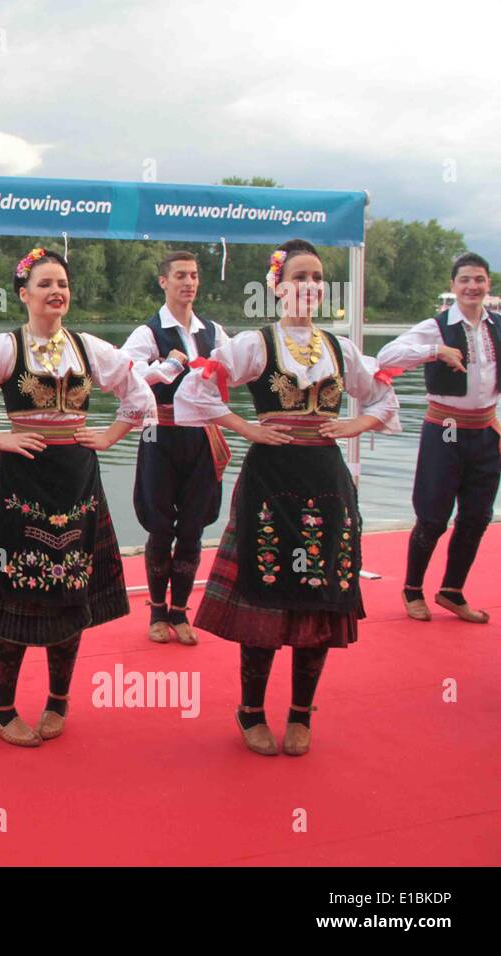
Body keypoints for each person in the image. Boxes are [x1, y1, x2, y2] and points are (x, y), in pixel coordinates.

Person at [174, 239, 399, 757]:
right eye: (299, 278)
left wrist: (354, 424)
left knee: (318, 593)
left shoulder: (339, 349)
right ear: (277, 288)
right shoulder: (255, 344)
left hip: (326, 481)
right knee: (265, 590)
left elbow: (382, 398)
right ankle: (251, 709)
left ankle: (301, 710)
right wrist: (248, 430)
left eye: (317, 278)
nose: (310, 287)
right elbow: (195, 392)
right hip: (270, 482)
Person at [0, 248, 154, 747]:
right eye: (45, 284)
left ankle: (58, 701)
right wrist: (0, 438)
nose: (57, 291)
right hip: (22, 477)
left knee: (69, 585)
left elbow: (137, 395)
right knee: (17, 586)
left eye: (63, 283)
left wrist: (111, 435)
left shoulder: (88, 348)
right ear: (23, 294)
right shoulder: (5, 348)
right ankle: (1, 706)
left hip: (76, 475)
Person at [376, 253, 499, 623]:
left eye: (479, 279)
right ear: (453, 285)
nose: (472, 286)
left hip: (485, 431)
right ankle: (413, 589)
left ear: (488, 284)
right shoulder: (436, 326)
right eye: (465, 280)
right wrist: (435, 351)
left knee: (477, 516)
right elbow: (385, 356)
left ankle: (451, 590)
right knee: (432, 516)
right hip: (443, 431)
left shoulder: (497, 326)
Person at [120, 250, 231, 645]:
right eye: (180, 275)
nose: (189, 282)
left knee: (192, 526)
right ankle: (156, 612)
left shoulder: (215, 332)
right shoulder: (148, 333)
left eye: (194, 275)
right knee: (161, 524)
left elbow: (237, 370)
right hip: (160, 432)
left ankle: (181, 612)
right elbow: (124, 376)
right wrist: (167, 366)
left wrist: (217, 371)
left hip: (201, 434)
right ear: (163, 282)